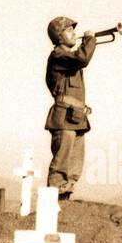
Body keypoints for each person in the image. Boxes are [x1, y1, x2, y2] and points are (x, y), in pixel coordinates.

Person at [43, 15, 96, 199]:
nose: (75, 34)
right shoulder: (59, 55)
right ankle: (51, 200)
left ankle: (65, 198)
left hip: (77, 117)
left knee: (74, 164)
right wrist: (89, 40)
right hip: (64, 117)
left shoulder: (68, 57)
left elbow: (79, 58)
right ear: (59, 37)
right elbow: (83, 58)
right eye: (69, 30)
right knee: (61, 164)